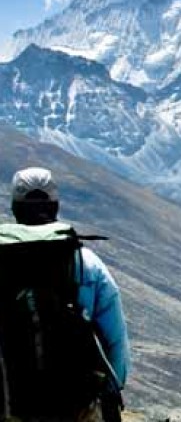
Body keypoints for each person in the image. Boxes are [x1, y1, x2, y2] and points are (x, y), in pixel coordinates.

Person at [8, 167, 131, 421]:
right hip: (77, 403)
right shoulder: (86, 263)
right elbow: (115, 339)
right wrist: (111, 392)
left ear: (14, 208)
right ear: (55, 206)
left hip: (12, 400)